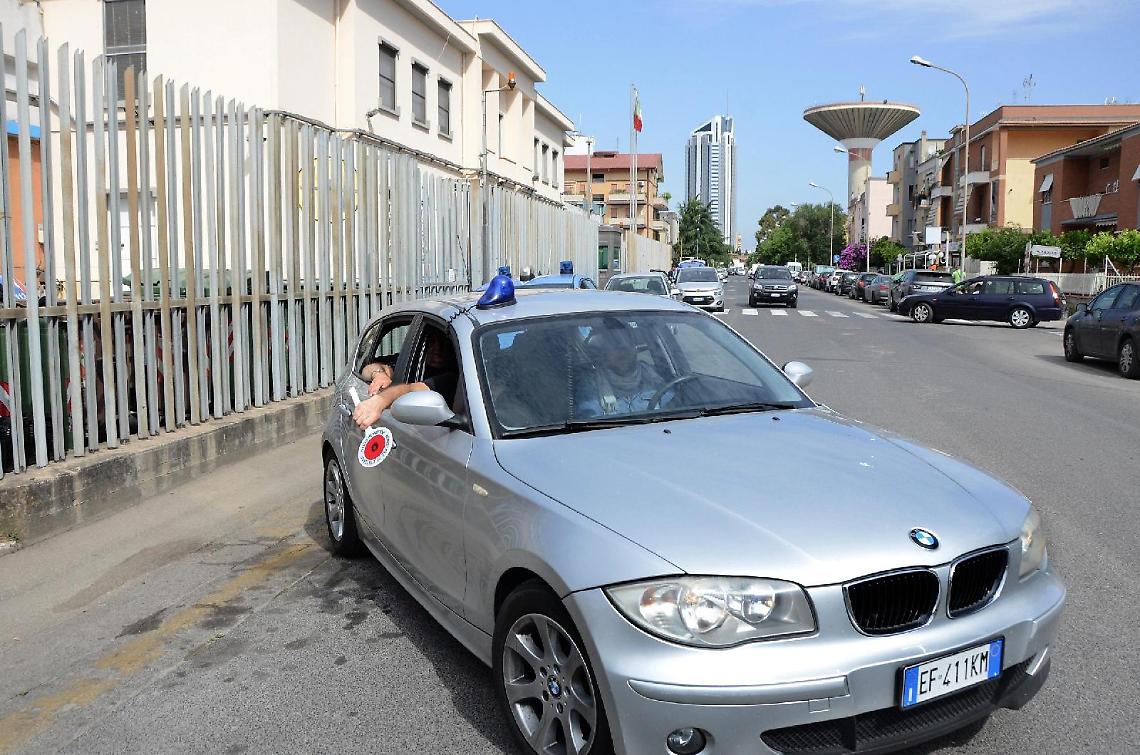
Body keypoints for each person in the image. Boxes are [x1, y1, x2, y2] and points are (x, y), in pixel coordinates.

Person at [353, 329, 459, 429]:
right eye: (432, 342)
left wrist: (381, 400)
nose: (437, 349)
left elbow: (413, 389)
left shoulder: (455, 378)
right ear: (423, 344)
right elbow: (367, 369)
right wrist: (379, 375)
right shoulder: (411, 359)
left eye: (444, 343)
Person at [574, 324, 668, 417]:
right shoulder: (591, 386)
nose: (622, 349)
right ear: (603, 353)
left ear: (634, 348)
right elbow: (591, 423)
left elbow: (672, 406)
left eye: (627, 342)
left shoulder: (653, 376)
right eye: (614, 344)